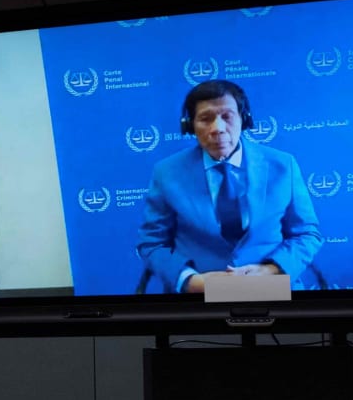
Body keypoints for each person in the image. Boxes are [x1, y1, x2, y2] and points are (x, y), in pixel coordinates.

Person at [136, 80, 323, 293]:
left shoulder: (282, 165)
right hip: (199, 296)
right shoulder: (167, 172)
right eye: (205, 119)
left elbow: (306, 234)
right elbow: (152, 243)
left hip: (271, 289)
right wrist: (189, 281)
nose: (218, 129)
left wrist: (271, 271)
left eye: (227, 117)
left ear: (244, 119)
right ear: (190, 125)